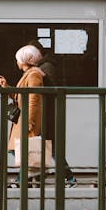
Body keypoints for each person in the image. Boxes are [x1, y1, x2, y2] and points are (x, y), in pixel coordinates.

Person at [27, 39, 77, 187]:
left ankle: (66, 177)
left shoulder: (44, 68)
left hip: (45, 114)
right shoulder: (44, 66)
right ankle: (35, 177)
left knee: (45, 147)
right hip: (46, 113)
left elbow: (46, 92)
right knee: (44, 147)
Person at [0, 44, 44, 188]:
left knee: (20, 150)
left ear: (25, 60)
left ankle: (26, 178)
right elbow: (22, 96)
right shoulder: (30, 74)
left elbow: (33, 100)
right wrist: (7, 87)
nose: (17, 62)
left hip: (27, 119)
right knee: (21, 150)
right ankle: (28, 178)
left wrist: (29, 121)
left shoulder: (34, 75)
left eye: (18, 59)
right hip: (24, 118)